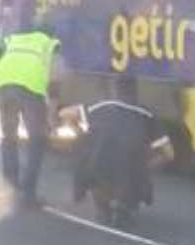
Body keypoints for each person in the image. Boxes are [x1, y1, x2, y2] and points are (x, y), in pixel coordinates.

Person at [64, 76, 172, 228]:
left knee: (89, 153)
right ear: (135, 92)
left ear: (114, 89)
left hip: (99, 166)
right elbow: (168, 153)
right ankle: (125, 208)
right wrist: (146, 167)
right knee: (133, 167)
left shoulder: (100, 106)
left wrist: (80, 133)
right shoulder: (147, 114)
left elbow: (65, 114)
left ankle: (103, 208)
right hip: (130, 171)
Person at [0, 22, 61, 208]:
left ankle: (10, 188)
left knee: (9, 136)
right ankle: (28, 195)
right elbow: (54, 81)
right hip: (30, 89)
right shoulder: (51, 44)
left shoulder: (14, 39)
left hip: (4, 84)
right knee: (37, 139)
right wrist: (52, 115)